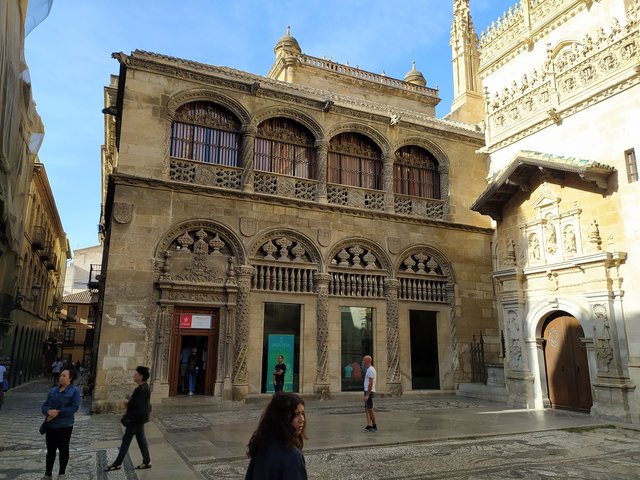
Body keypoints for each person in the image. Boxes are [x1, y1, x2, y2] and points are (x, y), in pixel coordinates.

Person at [245, 392, 307, 480]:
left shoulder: (261, 446)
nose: (302, 419)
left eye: (302, 413)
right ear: (283, 418)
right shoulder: (293, 456)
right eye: (297, 414)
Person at [105, 366, 152, 472]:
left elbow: (138, 406)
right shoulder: (145, 387)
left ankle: (117, 463)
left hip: (135, 420)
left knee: (126, 442)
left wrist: (128, 403)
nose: (134, 376)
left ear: (141, 376)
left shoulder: (141, 390)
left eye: (136, 374)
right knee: (141, 441)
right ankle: (147, 461)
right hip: (139, 420)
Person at [41, 368, 81, 480]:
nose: (61, 377)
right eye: (60, 375)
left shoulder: (74, 391)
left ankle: (61, 473)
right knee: (50, 450)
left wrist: (58, 412)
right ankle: (47, 474)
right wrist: (48, 411)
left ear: (70, 378)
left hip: (65, 426)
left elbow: (74, 408)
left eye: (64, 375)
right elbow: (44, 405)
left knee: (63, 449)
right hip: (51, 425)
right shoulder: (53, 390)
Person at [362, 355, 377, 432]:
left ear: (367, 361)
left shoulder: (371, 370)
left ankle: (374, 426)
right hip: (367, 390)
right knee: (367, 409)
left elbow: (370, 383)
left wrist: (367, 395)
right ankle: (369, 425)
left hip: (369, 391)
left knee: (370, 409)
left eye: (364, 360)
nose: (363, 362)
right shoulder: (369, 369)